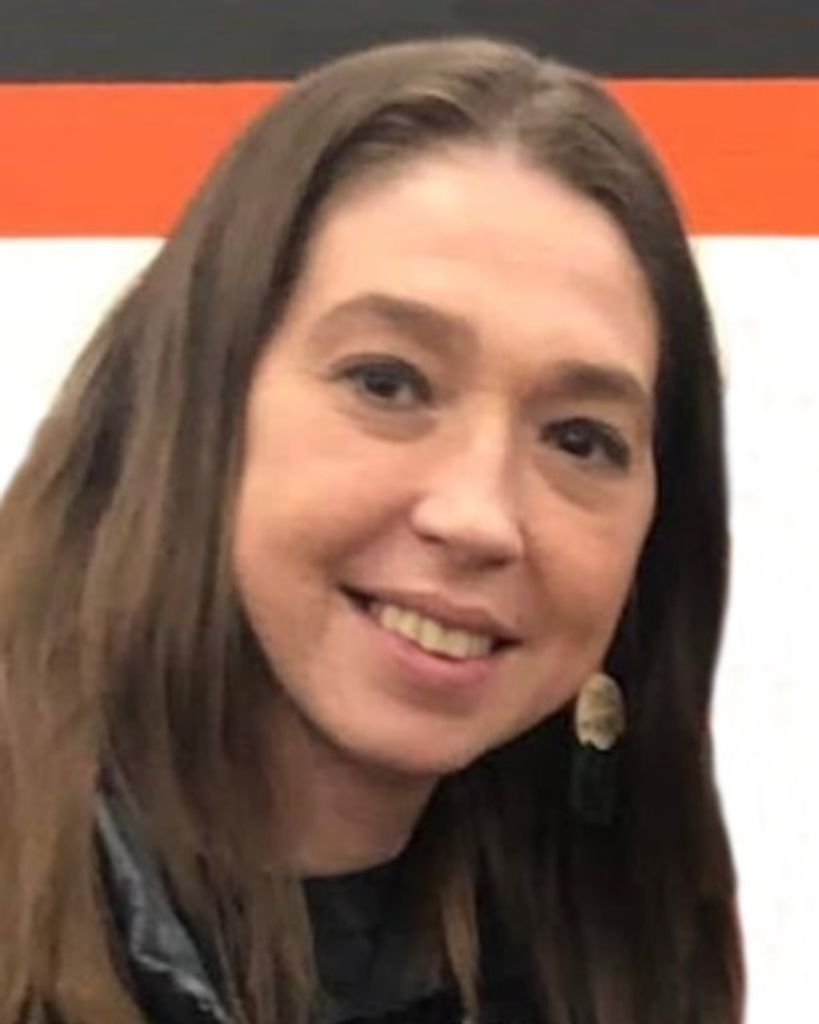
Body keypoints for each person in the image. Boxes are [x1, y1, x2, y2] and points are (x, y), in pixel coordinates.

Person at [0, 37, 743, 1024]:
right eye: (388, 383)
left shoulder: (613, 954)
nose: (478, 515)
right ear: (197, 402)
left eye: (579, 438)